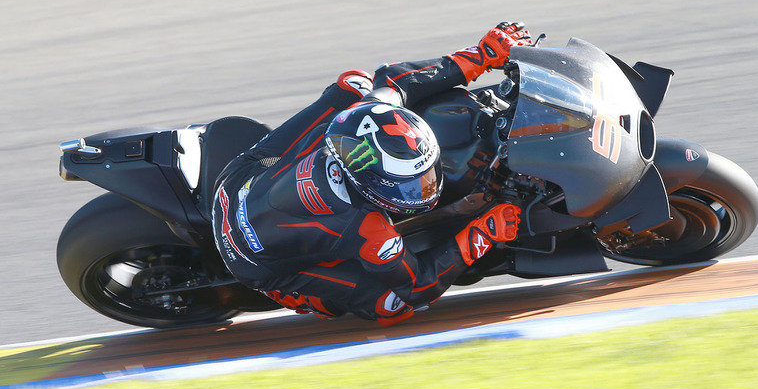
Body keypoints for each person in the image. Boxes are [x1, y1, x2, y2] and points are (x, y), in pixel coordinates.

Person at [212, 22, 531, 326]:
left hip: (237, 182)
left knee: (354, 85)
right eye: (412, 185)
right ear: (370, 187)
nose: (426, 189)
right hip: (250, 258)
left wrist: (482, 55)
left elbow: (395, 79)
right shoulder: (369, 229)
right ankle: (304, 297)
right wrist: (480, 234)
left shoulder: (363, 114)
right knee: (392, 305)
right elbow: (417, 287)